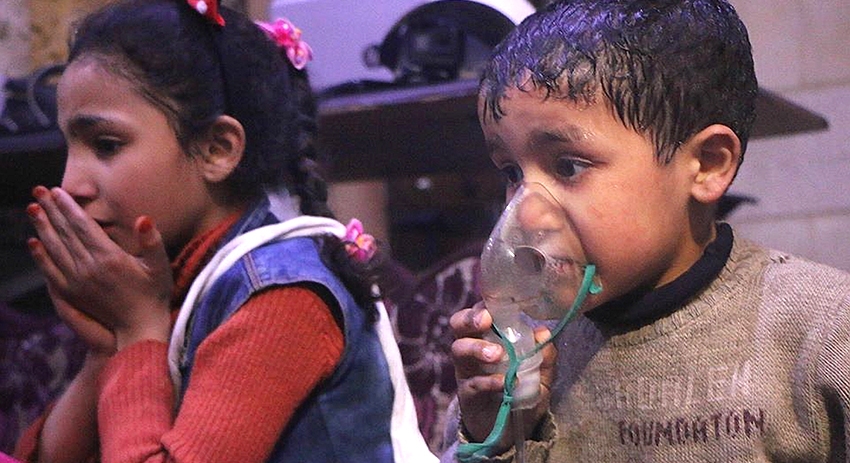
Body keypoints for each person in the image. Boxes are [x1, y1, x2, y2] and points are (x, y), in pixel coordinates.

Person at [13, 0, 436, 462]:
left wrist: (137, 332)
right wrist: (106, 348)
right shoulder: (164, 283)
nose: (70, 184)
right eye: (69, 149)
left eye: (106, 145)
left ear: (217, 149)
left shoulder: (283, 296)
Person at [441, 0, 850, 462]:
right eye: (512, 173)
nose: (526, 214)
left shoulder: (823, 332)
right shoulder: (527, 346)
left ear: (707, 164)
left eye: (569, 166)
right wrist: (496, 432)